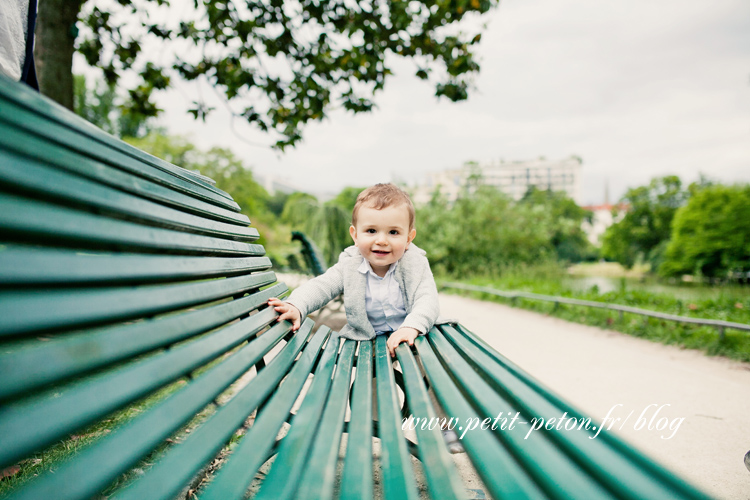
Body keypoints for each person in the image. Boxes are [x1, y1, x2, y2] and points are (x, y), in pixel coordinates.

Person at [268, 183, 444, 357]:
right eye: (371, 230)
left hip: (415, 333)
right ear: (355, 235)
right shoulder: (350, 264)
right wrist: (297, 304)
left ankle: (429, 383)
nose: (382, 240)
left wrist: (411, 327)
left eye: (393, 232)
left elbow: (427, 299)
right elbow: (322, 285)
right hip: (372, 338)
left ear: (408, 238)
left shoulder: (414, 263)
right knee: (373, 378)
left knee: (428, 368)